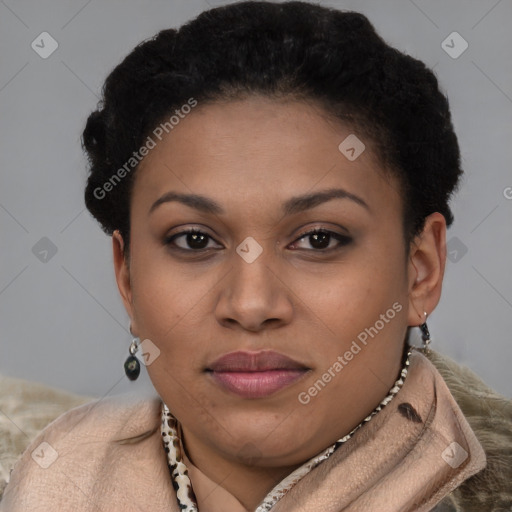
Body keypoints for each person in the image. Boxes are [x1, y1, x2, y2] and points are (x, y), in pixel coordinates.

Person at [1, 1, 511, 510]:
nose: (250, 304)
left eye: (318, 239)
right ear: (127, 277)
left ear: (421, 270)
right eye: (194, 240)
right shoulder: (42, 481)